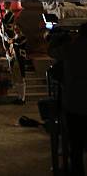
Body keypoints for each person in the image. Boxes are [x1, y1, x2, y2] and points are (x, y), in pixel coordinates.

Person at [48, 23, 87, 176]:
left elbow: (51, 52)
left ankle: (77, 171)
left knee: (75, 145)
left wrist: (56, 38)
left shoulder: (71, 48)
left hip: (74, 103)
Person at [11, 24, 28, 105]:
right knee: (17, 79)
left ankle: (23, 98)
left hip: (20, 59)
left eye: (17, 28)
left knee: (22, 79)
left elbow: (19, 44)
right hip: (15, 59)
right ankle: (19, 97)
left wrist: (13, 42)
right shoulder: (15, 38)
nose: (15, 30)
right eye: (14, 28)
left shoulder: (23, 37)